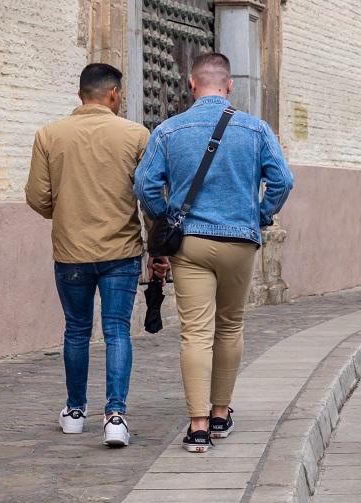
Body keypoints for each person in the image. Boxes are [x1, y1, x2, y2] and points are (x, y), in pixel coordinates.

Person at [134, 53, 294, 453]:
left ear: (192, 84)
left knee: (196, 332)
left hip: (190, 243)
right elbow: (283, 181)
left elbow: (144, 184)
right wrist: (258, 213)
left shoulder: (169, 130)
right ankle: (221, 413)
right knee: (230, 326)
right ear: (230, 85)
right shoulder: (255, 129)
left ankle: (198, 425)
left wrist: (166, 216)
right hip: (240, 241)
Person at [25, 63, 159, 447]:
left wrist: (63, 212)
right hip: (121, 250)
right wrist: (157, 245)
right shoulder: (135, 134)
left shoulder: (49, 135)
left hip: (70, 250)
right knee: (117, 329)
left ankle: (75, 411)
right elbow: (150, 196)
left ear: (79, 94)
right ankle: (115, 416)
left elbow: (36, 196)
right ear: (114, 94)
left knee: (76, 329)